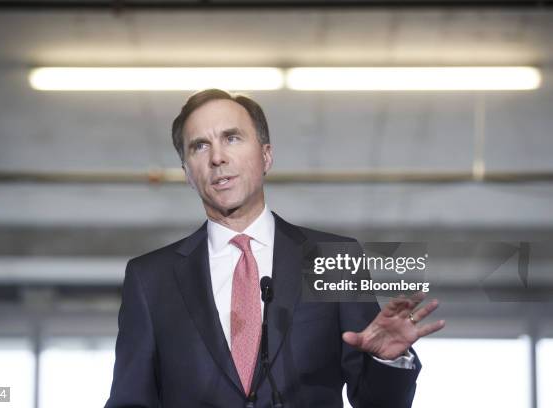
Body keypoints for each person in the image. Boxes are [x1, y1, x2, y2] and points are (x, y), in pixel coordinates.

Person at [104, 89, 445, 408]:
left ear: (266, 155)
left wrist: (385, 360)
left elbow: (377, 403)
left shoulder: (332, 260)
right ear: (187, 174)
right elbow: (130, 399)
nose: (218, 157)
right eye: (200, 146)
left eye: (231, 138)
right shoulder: (151, 278)